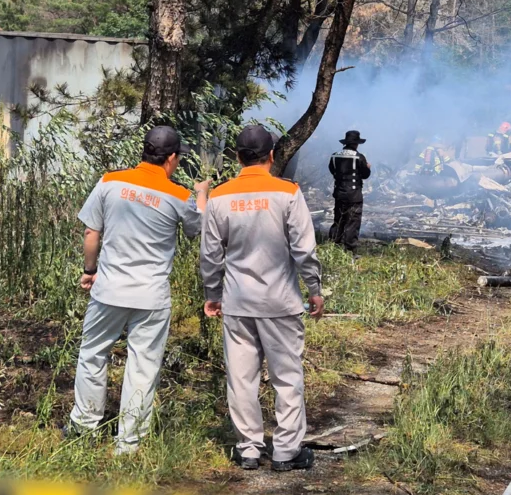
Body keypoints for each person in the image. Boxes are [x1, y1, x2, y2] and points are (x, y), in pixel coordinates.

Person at [68, 125, 210, 452]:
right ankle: (128, 443)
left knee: (92, 355)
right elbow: (197, 226)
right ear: (171, 158)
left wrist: (90, 271)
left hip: (109, 290)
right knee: (143, 366)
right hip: (151, 296)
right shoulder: (179, 196)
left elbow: (92, 233)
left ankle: (84, 427)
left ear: (144, 151)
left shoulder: (110, 181)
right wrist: (201, 192)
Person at [201, 125, 324, 472]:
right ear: (271, 156)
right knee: (287, 376)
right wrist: (314, 289)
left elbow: (211, 254)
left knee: (241, 377)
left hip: (237, 301)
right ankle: (285, 451)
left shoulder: (220, 197)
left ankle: (249, 448)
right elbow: (304, 248)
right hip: (280, 302)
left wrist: (213, 293)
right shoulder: (287, 193)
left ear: (237, 157)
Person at [329, 129, 371, 254]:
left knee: (339, 219)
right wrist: (368, 168)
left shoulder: (335, 155)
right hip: (354, 196)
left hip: (339, 193)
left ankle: (334, 245)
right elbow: (365, 175)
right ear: (356, 143)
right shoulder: (359, 157)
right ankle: (350, 249)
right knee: (353, 221)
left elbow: (333, 171)